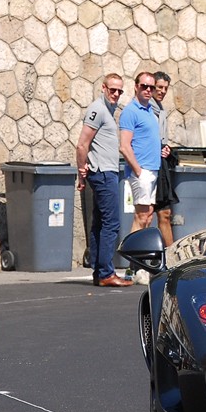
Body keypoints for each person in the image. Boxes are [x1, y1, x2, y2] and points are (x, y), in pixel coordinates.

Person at [76, 73, 132, 288]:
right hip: (103, 173)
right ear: (103, 88)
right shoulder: (97, 109)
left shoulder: (107, 110)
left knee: (100, 222)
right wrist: (82, 170)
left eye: (119, 91)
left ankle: (99, 272)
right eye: (112, 90)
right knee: (111, 223)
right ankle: (107, 273)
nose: (116, 94)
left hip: (106, 171)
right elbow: (82, 144)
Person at [119, 70, 163, 237]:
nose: (147, 90)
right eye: (144, 86)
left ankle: (141, 257)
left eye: (151, 88)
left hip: (152, 169)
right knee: (141, 216)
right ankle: (134, 259)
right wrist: (138, 171)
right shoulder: (131, 111)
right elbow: (124, 146)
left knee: (148, 215)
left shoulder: (150, 111)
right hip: (142, 170)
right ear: (136, 87)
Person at [150, 70, 177, 246]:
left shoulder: (161, 110)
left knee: (165, 214)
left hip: (161, 166)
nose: (162, 91)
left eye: (165, 88)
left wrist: (166, 149)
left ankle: (171, 259)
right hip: (147, 165)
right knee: (144, 216)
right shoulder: (144, 109)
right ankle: (136, 263)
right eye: (159, 87)